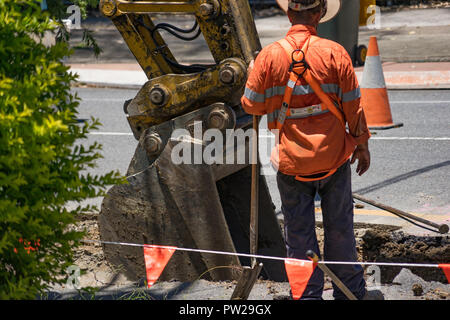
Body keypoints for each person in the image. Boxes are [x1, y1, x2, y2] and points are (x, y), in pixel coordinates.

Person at [241, 0, 382, 300]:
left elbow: (250, 104)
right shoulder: (335, 53)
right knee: (340, 229)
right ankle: (350, 292)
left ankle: (306, 295)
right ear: (319, 15)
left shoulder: (269, 57)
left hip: (292, 165)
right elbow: (354, 108)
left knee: (299, 235)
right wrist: (362, 145)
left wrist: (256, 73)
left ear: (290, 14)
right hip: (333, 160)